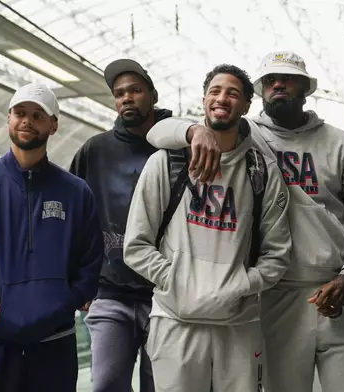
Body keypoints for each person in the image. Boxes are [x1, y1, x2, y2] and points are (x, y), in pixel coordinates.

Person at [145, 51, 344, 392]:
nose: (278, 85)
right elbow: (158, 131)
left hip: (340, 293)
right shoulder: (247, 135)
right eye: (270, 80)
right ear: (259, 94)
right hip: (275, 296)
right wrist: (194, 131)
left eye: (288, 78)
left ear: (305, 87)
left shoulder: (341, 143)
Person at [123, 64, 292, 392]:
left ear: (246, 106)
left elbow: (277, 254)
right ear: (203, 101)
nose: (222, 98)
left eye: (233, 93)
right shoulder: (168, 162)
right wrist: (176, 278)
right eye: (215, 91)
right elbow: (136, 245)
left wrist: (241, 284)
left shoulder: (262, 172)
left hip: (239, 324)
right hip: (175, 322)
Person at [0, 83, 104, 391]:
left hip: (53, 343)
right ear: (8, 118)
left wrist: (59, 306)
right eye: (20, 113)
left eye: (38, 115)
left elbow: (90, 264)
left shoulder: (76, 193)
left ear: (53, 126)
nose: (27, 121)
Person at [69, 59, 170, 392]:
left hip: (167, 295)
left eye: (135, 90)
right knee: (107, 384)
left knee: (162, 386)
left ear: (153, 96)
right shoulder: (94, 151)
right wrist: (79, 281)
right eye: (119, 93)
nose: (127, 98)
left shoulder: (176, 148)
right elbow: (72, 219)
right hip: (110, 293)